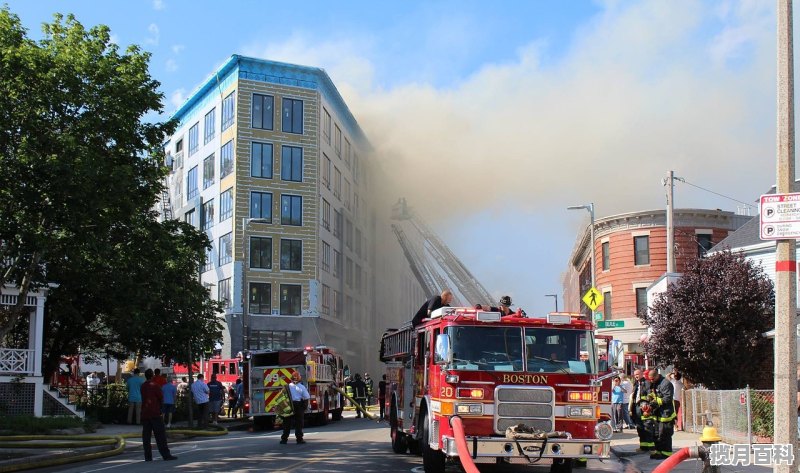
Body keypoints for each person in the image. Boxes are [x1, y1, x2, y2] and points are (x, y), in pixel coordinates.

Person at [140, 369, 178, 461]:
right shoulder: (155, 386)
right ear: (152, 375)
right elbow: (161, 398)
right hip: (155, 413)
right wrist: (161, 409)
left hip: (145, 413)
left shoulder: (143, 386)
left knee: (146, 436)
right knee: (160, 435)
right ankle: (165, 454)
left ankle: (148, 456)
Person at [647, 369, 676, 460]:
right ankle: (658, 452)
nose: (651, 381)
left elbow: (667, 398)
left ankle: (666, 454)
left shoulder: (666, 384)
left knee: (665, 435)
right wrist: (650, 401)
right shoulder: (655, 383)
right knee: (657, 435)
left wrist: (656, 401)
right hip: (657, 413)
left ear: (657, 376)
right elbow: (652, 394)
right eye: (650, 379)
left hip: (666, 414)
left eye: (652, 379)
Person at [280, 371, 310, 444]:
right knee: (299, 423)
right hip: (298, 405)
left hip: (288, 405)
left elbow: (282, 396)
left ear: (291, 378)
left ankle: (284, 439)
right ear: (299, 378)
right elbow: (306, 398)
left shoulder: (287, 387)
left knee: (287, 423)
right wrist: (304, 408)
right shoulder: (302, 387)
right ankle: (299, 439)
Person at [629, 369, 654, 452]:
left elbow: (650, 395)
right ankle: (643, 447)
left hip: (644, 408)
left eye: (637, 374)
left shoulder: (646, 383)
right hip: (637, 409)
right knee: (640, 429)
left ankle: (651, 448)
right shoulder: (636, 384)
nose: (636, 376)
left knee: (647, 428)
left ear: (642, 374)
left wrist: (645, 404)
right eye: (635, 374)